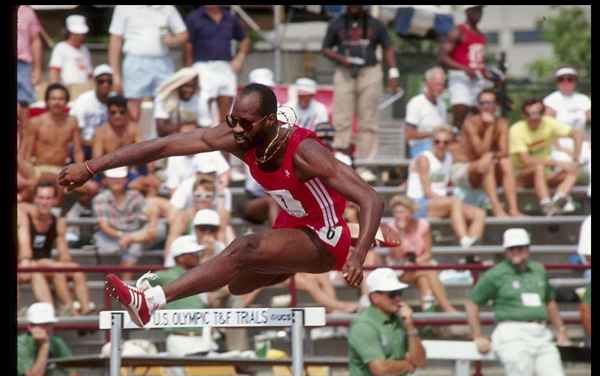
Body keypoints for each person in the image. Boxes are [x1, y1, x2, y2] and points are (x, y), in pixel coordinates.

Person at [59, 83, 384, 327]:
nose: (238, 130)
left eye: (246, 123)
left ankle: (151, 301)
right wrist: (91, 167)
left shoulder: (306, 152)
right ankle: (336, 237)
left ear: (271, 121)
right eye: (233, 120)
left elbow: (370, 197)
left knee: (244, 248)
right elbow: (163, 146)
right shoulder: (237, 137)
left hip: (324, 238)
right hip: (291, 225)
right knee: (238, 283)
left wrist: (358, 255)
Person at [465, 228, 571, 376]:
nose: (515, 252)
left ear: (528, 249)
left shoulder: (539, 270)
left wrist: (561, 330)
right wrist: (477, 335)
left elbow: (549, 301)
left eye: (519, 248)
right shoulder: (496, 274)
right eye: (511, 249)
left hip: (541, 332)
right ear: (505, 251)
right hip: (512, 333)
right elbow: (472, 302)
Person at [137, 236, 222, 376]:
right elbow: (139, 287)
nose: (198, 257)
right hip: (180, 339)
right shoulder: (166, 276)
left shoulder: (199, 275)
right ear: (181, 258)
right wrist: (153, 306)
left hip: (204, 339)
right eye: (193, 254)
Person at [322, 5, 400, 161]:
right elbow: (325, 48)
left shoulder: (375, 23)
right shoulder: (337, 22)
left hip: (369, 71)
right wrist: (343, 60)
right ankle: (341, 159)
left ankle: (366, 162)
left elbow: (388, 47)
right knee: (342, 117)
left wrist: (393, 72)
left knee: (368, 118)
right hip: (345, 71)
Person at [17, 181, 95, 316]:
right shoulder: (23, 214)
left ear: (54, 200)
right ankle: (68, 311)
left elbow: (63, 251)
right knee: (54, 269)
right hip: (24, 263)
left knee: (75, 269)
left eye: (48, 198)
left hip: (43, 263)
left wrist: (66, 263)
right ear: (35, 199)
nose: (44, 202)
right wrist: (25, 260)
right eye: (41, 198)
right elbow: (24, 240)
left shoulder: (56, 220)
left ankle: (85, 309)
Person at [349, 268, 430, 376]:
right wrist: (408, 365)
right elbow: (380, 369)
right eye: (392, 294)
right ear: (375, 297)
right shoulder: (363, 325)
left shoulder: (400, 319)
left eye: (399, 293)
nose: (398, 299)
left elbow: (421, 361)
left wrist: (410, 326)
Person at [406, 126, 486, 248]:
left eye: (445, 142)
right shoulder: (424, 159)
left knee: (479, 213)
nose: (441, 145)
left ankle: (471, 252)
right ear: (432, 142)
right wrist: (451, 200)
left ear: (450, 144)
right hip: (417, 204)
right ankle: (464, 239)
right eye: (437, 141)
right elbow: (427, 192)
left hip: (439, 203)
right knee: (455, 201)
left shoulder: (448, 158)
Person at [108, 5, 188, 123]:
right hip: (135, 61)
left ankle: (164, 140)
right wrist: (115, 76)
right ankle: (136, 140)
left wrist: (172, 40)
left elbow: (183, 34)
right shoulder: (123, 7)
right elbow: (115, 41)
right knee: (133, 106)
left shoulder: (168, 7)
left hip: (163, 61)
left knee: (167, 105)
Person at [451, 89, 522, 217]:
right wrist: (489, 128)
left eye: (490, 103)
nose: (487, 107)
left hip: (488, 167)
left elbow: (504, 151)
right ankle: (497, 209)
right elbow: (480, 151)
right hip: (465, 169)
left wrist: (492, 155)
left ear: (496, 106)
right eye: (483, 103)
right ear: (478, 106)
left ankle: (513, 209)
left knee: (506, 162)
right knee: (487, 162)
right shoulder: (470, 123)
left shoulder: (502, 123)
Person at [380, 196, 457, 314]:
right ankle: (447, 308)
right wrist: (400, 232)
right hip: (400, 270)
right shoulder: (390, 228)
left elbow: (428, 253)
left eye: (401, 212)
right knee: (429, 271)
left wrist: (417, 262)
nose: (397, 215)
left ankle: (428, 314)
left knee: (424, 279)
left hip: (419, 266)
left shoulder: (423, 225)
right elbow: (397, 255)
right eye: (395, 212)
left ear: (410, 212)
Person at [509, 98, 583, 216]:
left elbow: (577, 134)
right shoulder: (516, 130)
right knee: (538, 167)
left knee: (573, 169)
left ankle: (559, 199)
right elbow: (527, 160)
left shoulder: (548, 122)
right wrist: (559, 163)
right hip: (522, 176)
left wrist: (575, 159)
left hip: (545, 174)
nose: (536, 117)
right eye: (531, 114)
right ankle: (546, 204)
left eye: (540, 112)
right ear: (523, 116)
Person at [92, 166, 161, 281]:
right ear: (106, 180)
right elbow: (104, 227)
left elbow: (151, 211)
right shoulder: (100, 198)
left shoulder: (135, 195)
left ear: (126, 180)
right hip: (110, 238)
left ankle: (124, 287)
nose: (116, 181)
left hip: (132, 234)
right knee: (135, 245)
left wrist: (152, 226)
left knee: (157, 229)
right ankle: (125, 285)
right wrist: (124, 236)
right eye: (113, 178)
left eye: (120, 178)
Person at [184, 5, 250, 123]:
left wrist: (239, 58)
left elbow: (245, 39)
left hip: (225, 66)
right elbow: (188, 45)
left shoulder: (230, 18)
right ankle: (205, 133)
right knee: (204, 103)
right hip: (202, 66)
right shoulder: (194, 18)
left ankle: (223, 134)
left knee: (228, 101)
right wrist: (189, 70)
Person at [18, 303, 96, 376]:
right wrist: (44, 345)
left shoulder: (55, 341)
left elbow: (73, 372)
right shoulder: (20, 344)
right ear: (30, 327)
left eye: (48, 324)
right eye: (40, 324)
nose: (45, 329)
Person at [439, 5, 493, 130]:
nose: (478, 13)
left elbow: (478, 62)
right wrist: (464, 68)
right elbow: (443, 57)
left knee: (479, 116)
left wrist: (488, 75)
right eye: (475, 10)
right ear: (467, 11)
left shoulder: (481, 35)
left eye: (480, 10)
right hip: (460, 79)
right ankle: (453, 140)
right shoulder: (458, 31)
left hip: (477, 80)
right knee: (460, 112)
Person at [544, 66, 592, 182]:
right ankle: (562, 196)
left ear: (575, 81)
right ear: (557, 82)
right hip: (560, 144)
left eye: (570, 79)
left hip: (582, 143)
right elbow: (546, 127)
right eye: (561, 79)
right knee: (566, 166)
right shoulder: (551, 100)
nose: (566, 82)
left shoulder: (583, 100)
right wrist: (558, 147)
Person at [69, 64, 114, 160]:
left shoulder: (115, 99)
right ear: (95, 82)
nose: (105, 84)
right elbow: (75, 129)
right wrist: (96, 142)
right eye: (101, 81)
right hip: (85, 145)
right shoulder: (84, 100)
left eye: (109, 81)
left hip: (107, 145)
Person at [154, 67, 213, 137]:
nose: (189, 90)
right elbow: (160, 130)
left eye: (192, 86)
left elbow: (206, 128)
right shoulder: (163, 98)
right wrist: (183, 127)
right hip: (169, 140)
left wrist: (189, 128)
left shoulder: (201, 100)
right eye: (186, 86)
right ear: (178, 85)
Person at [404, 67, 448, 158]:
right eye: (437, 84)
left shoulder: (442, 104)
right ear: (428, 84)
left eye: (442, 85)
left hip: (440, 145)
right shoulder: (416, 102)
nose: (440, 88)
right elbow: (409, 134)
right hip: (420, 147)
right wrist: (433, 134)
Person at [48, 15, 93, 100]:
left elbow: (89, 74)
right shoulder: (61, 47)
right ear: (69, 33)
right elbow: (54, 72)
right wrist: (56, 92)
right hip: (67, 90)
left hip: (84, 91)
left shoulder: (85, 50)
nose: (80, 36)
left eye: (82, 34)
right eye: (77, 34)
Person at [17, 5, 43, 113]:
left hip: (23, 63)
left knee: (25, 101)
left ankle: (25, 129)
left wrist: (37, 69)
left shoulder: (27, 11)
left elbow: (35, 40)